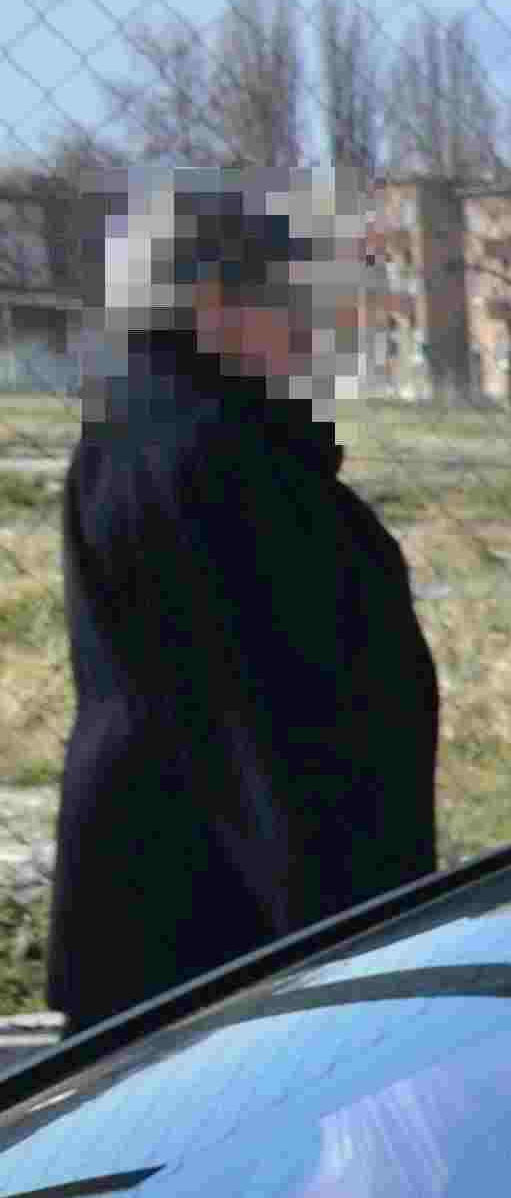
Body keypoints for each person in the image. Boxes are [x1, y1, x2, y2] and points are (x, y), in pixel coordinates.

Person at [53, 179, 438, 1034]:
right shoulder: (204, 459)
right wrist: (346, 968)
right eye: (290, 298)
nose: (314, 328)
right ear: (208, 304)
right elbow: (268, 742)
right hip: (221, 943)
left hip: (185, 915)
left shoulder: (165, 435)